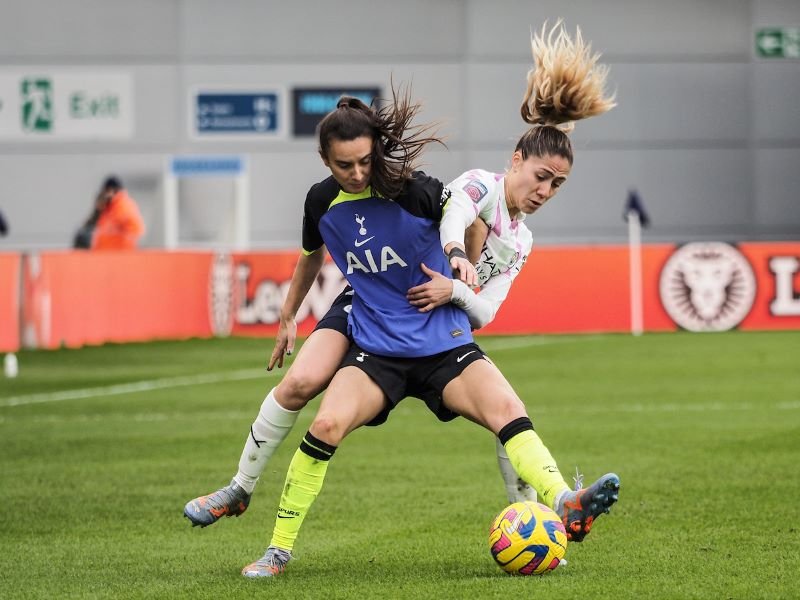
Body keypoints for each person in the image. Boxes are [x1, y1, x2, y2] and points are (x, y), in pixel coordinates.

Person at [228, 23, 619, 577]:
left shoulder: (521, 238)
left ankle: (562, 503)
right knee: (325, 425)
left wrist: (458, 287)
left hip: (444, 344)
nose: (545, 190)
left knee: (510, 411)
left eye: (556, 184)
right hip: (381, 345)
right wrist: (457, 254)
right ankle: (276, 548)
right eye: (541, 176)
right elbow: (459, 209)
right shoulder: (475, 186)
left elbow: (485, 310)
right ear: (515, 160)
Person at [74, 176, 145, 250]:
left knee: (84, 237)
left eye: (105, 191)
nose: (104, 194)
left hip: (118, 253)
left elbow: (134, 232)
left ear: (111, 190)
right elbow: (92, 225)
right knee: (83, 236)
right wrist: (98, 210)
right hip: (107, 253)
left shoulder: (122, 206)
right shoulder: (111, 206)